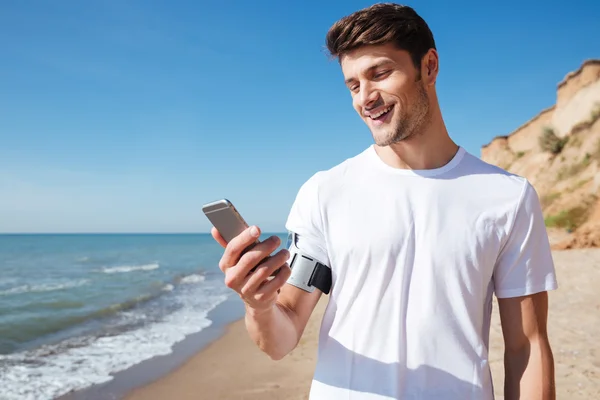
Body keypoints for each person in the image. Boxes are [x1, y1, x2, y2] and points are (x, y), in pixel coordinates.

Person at [211, 3, 558, 399]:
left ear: (428, 67)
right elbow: (281, 336)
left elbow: (526, 346)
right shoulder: (326, 192)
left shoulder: (507, 198)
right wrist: (258, 305)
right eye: (353, 85)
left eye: (380, 74)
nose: (366, 98)